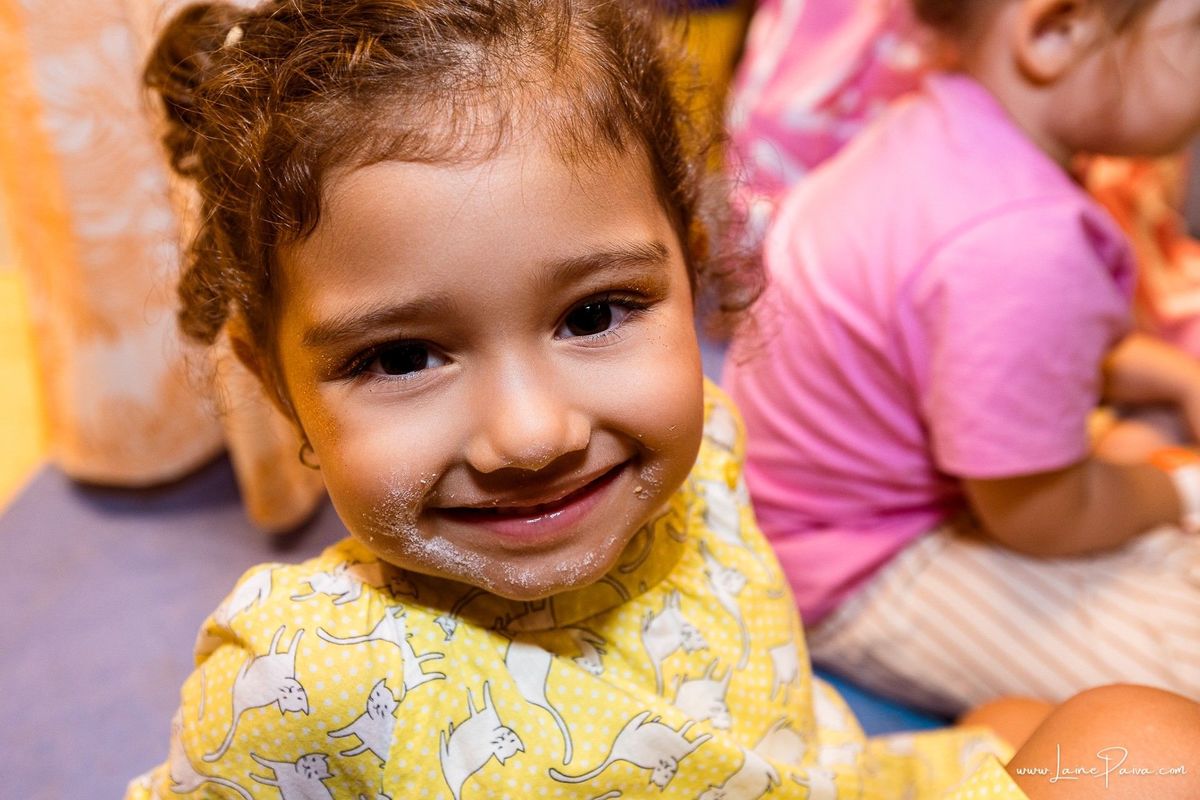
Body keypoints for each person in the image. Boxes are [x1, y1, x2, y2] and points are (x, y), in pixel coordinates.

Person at [128, 2, 1200, 798]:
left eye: (595, 315)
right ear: (275, 381)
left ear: (695, 273)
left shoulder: (705, 453)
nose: (533, 433)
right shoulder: (293, 685)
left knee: (1123, 737)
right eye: (403, 354)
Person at [724, 0, 1200, 716]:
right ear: (1055, 30)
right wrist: (1179, 492)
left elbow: (1008, 358)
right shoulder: (1018, 241)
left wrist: (1174, 375)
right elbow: (1041, 515)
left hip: (835, 491)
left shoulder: (936, 126)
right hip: (854, 559)